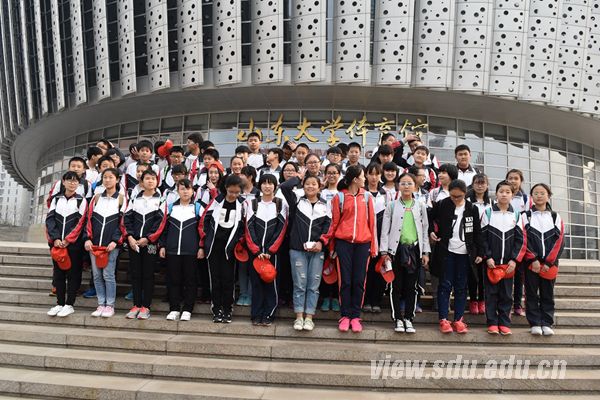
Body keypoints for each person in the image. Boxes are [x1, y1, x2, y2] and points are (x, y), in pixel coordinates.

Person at [323, 165, 377, 333]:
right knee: (345, 281)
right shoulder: (339, 197)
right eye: (363, 176)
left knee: (359, 281)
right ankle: (345, 315)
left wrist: (373, 247)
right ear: (355, 179)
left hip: (363, 244)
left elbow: (372, 223)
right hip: (344, 244)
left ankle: (355, 316)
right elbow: (334, 224)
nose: (365, 179)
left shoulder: (367, 197)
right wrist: (332, 246)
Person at [429, 179, 484, 334]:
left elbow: (477, 232)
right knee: (445, 285)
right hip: (446, 251)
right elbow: (429, 218)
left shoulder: (472, 208)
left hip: (465, 253)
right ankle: (443, 319)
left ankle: (458, 319)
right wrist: (431, 231)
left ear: (465, 193)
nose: (455, 199)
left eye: (458, 196)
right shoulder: (442, 204)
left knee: (461, 286)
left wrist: (480, 252)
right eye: (452, 196)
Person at [380, 172, 430, 333]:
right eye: (403, 183)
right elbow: (385, 231)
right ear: (398, 186)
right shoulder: (391, 206)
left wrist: (425, 252)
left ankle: (409, 318)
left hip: (414, 251)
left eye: (409, 183)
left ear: (415, 186)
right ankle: (397, 319)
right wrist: (384, 252)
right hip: (395, 251)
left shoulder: (420, 206)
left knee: (411, 287)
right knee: (396, 286)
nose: (406, 186)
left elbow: (425, 229)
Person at [280, 174, 331, 331]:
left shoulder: (326, 205)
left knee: (313, 285)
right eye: (307, 184)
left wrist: (321, 242)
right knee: (299, 284)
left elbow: (328, 226)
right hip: (297, 249)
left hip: (317, 250)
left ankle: (309, 317)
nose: (310, 186)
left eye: (314, 184)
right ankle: (299, 317)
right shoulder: (297, 201)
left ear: (319, 187)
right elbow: (284, 187)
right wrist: (298, 178)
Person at [481, 180, 527, 336]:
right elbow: (482, 238)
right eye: (501, 191)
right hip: (492, 264)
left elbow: (521, 240)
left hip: (509, 264)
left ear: (512, 195)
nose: (504, 194)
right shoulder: (488, 213)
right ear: (496, 194)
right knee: (491, 294)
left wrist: (514, 260)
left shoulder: (516, 215)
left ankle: (504, 323)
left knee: (506, 294)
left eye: (508, 192)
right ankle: (492, 323)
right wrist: (487, 257)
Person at [199, 175, 246, 323]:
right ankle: (216, 309)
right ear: (225, 188)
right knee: (215, 279)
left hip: (230, 249)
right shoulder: (216, 201)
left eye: (236, 192)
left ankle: (227, 309)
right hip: (214, 247)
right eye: (231, 191)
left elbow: (244, 227)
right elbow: (204, 222)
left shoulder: (243, 204)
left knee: (228, 279)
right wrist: (204, 242)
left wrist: (239, 242)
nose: (233, 195)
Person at [244, 174, 288, 326]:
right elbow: (248, 228)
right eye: (264, 183)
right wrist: (256, 250)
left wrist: (270, 251)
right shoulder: (253, 203)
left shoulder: (281, 204)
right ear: (260, 185)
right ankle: (256, 314)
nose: (267, 186)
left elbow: (281, 229)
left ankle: (269, 314)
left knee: (271, 283)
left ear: (275, 186)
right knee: (256, 284)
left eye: (270, 184)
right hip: (256, 253)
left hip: (272, 254)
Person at [123, 169, 167, 320]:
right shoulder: (135, 199)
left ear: (157, 182)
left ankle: (146, 307)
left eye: (153, 179)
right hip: (134, 243)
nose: (150, 181)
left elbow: (160, 223)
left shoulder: (161, 200)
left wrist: (148, 239)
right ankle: (136, 305)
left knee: (148, 274)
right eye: (147, 178)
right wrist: (129, 237)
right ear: (141, 182)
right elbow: (126, 219)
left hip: (151, 244)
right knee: (136, 274)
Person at [523, 183, 565, 336]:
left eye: (542, 193)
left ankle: (547, 323)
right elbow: (523, 239)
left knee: (547, 293)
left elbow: (560, 241)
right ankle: (534, 323)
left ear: (548, 196)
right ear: (531, 197)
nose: (539, 196)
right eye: (536, 193)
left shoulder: (555, 216)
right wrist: (533, 259)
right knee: (531, 293)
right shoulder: (525, 216)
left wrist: (549, 262)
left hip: (550, 264)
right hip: (531, 264)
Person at [84, 168, 126, 318]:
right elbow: (88, 220)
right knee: (97, 276)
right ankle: (101, 304)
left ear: (117, 179)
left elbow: (123, 223)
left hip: (110, 246)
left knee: (108, 275)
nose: (107, 180)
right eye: (105, 177)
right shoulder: (96, 198)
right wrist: (87, 238)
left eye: (111, 177)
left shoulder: (121, 199)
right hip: (94, 245)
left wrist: (115, 241)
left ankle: (110, 305)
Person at [159, 179, 203, 321]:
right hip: (172, 251)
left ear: (193, 191)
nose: (185, 192)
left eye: (188, 189)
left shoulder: (198, 208)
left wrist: (201, 247)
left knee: (190, 281)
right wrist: (162, 245)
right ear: (177, 191)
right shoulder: (170, 207)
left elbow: (203, 230)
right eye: (182, 189)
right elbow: (163, 229)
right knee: (173, 280)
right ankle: (174, 309)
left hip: (191, 251)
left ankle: (188, 309)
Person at [46, 171, 88, 317]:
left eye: (75, 181)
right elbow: (50, 220)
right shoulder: (56, 199)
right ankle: (59, 303)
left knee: (73, 274)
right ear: (63, 182)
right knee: (58, 274)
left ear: (78, 184)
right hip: (57, 244)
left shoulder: (81, 200)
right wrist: (56, 238)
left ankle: (69, 304)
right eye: (69, 180)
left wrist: (68, 240)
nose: (72, 183)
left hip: (74, 245)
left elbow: (81, 222)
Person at [506, 168, 531, 317]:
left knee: (519, 275)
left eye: (516, 178)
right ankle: (505, 304)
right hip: (505, 240)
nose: (513, 181)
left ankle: (517, 305)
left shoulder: (526, 199)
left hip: (520, 241)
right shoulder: (503, 195)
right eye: (510, 178)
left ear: (521, 181)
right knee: (506, 275)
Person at [466, 173, 493, 315]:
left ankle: (482, 300)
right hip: (471, 241)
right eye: (477, 183)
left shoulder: (491, 203)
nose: (480, 186)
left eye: (483, 183)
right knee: (472, 274)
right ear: (473, 184)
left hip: (486, 241)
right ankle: (473, 300)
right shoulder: (467, 201)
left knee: (483, 274)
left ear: (487, 185)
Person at [363, 163, 386, 314]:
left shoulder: (386, 194)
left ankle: (376, 300)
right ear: (366, 175)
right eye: (371, 174)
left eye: (376, 174)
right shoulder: (362, 193)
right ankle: (365, 300)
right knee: (366, 270)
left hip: (381, 238)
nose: (373, 177)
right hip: (365, 238)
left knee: (379, 270)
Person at [319, 163, 341, 312]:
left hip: (339, 234)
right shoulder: (321, 192)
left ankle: (337, 298)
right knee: (325, 266)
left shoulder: (342, 193)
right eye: (329, 172)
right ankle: (326, 297)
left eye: (335, 173)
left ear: (339, 175)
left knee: (338, 268)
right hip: (323, 233)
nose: (332, 175)